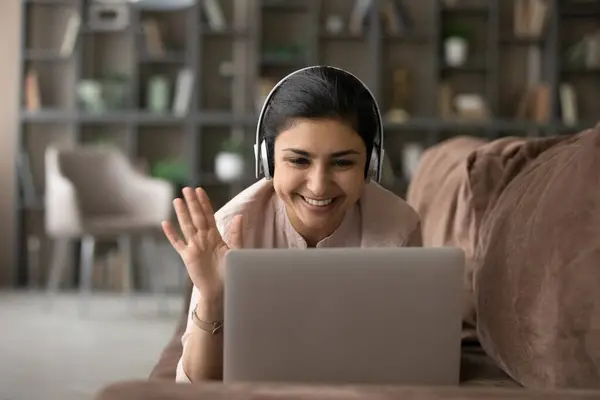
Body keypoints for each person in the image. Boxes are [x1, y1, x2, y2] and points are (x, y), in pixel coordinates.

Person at [161, 65, 423, 383]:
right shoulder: (229, 229)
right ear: (267, 161)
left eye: (343, 162)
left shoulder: (400, 227)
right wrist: (214, 296)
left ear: (371, 165)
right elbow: (195, 385)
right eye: (299, 160)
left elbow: (410, 358)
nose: (318, 186)